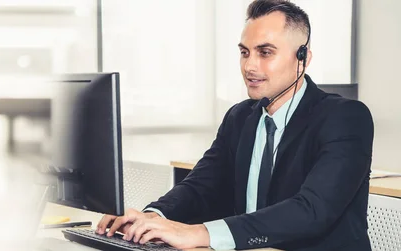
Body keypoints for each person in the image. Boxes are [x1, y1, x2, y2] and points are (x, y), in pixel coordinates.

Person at [96, 0, 374, 250]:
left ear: (303, 58)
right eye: (244, 52)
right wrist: (152, 217)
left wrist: (200, 233)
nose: (250, 66)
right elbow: (200, 186)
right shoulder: (240, 117)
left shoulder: (346, 118)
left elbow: (311, 210)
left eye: (265, 53)